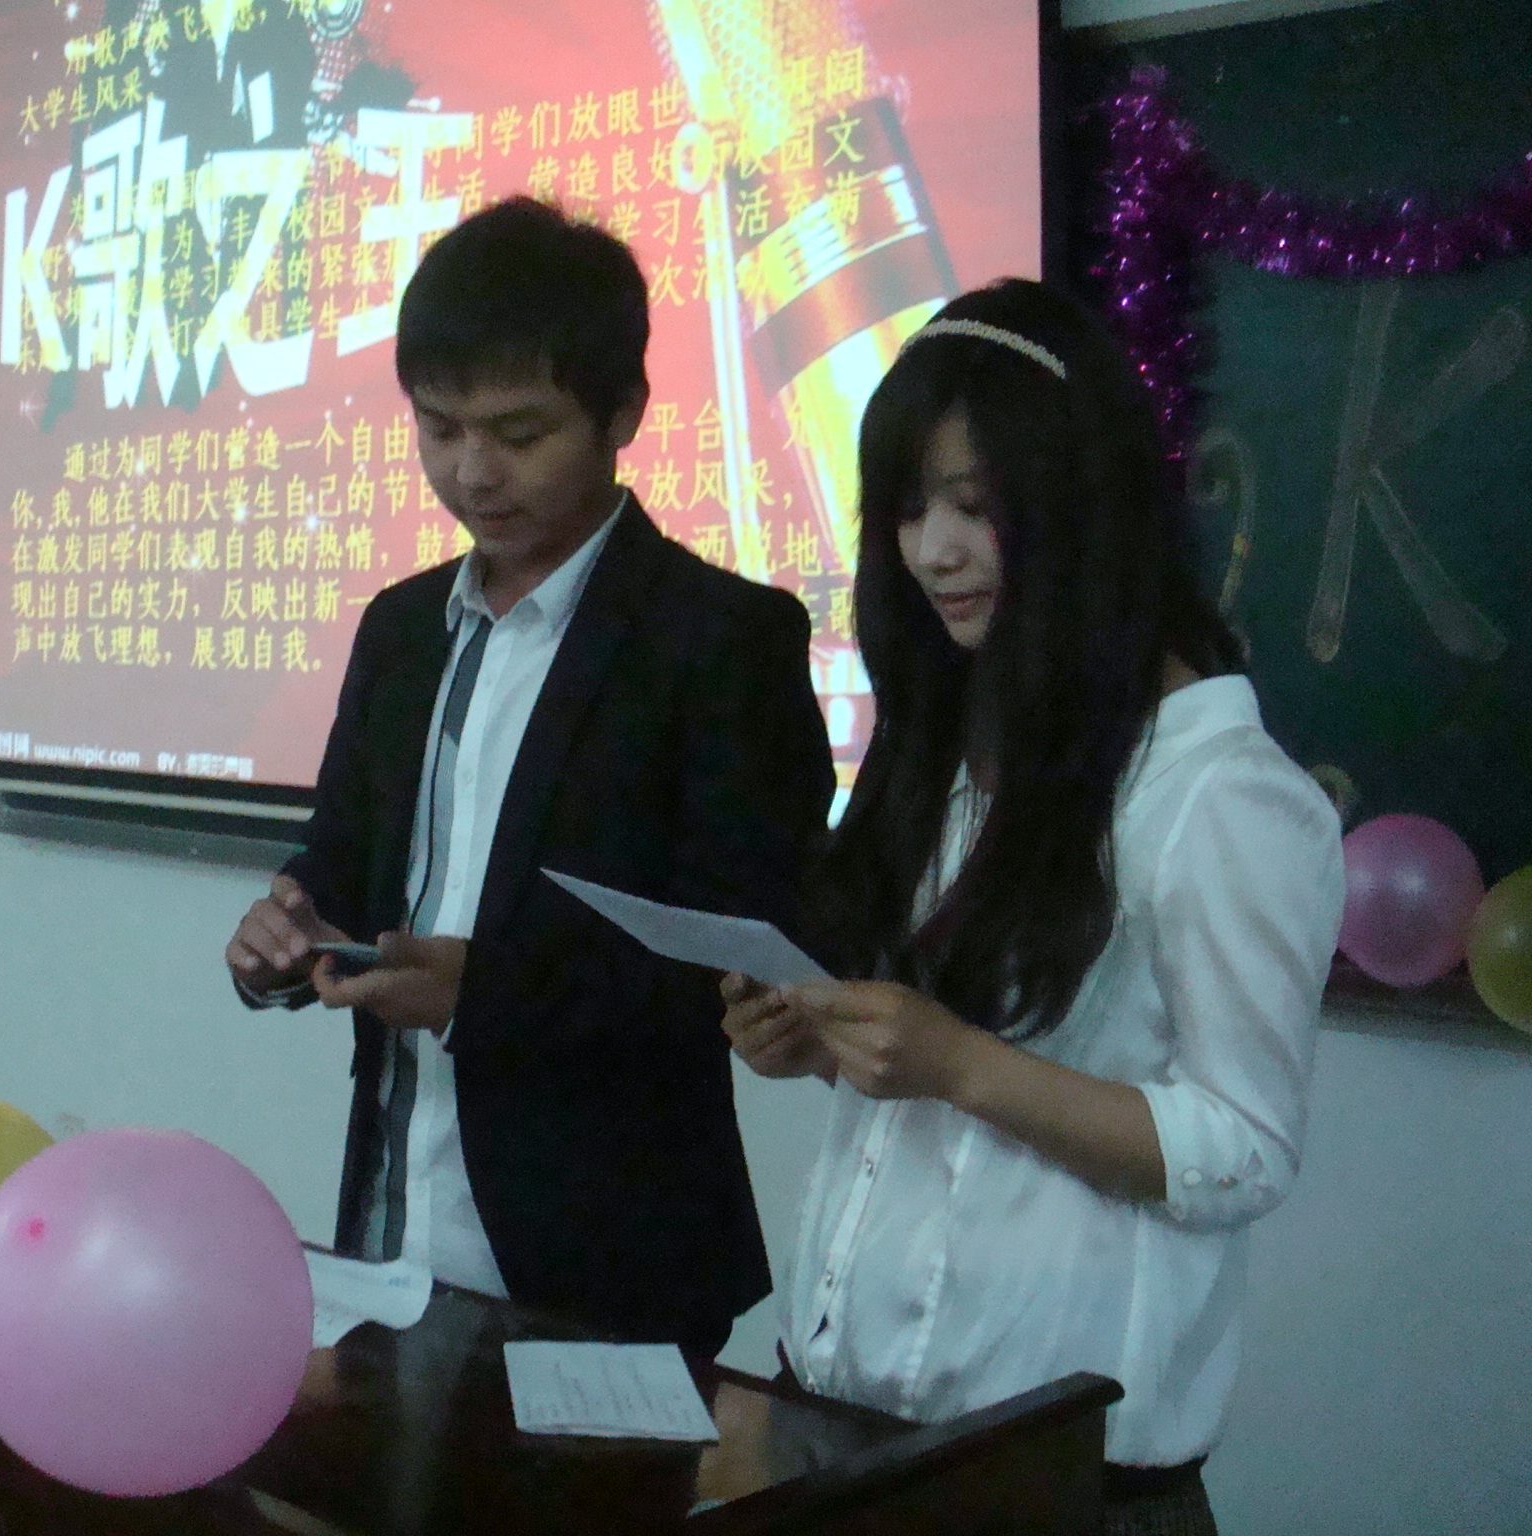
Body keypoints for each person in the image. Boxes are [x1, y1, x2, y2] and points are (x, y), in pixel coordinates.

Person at [722, 280, 1344, 1533]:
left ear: (1079, 503)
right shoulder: (945, 743)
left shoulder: (1217, 794)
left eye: (973, 505)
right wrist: (813, 1044)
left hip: (1057, 1485)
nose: (930, 551)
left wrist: (956, 1064)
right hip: (842, 1430)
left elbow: (1241, 1148)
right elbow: (921, 1046)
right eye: (906, 508)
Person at [227, 197, 835, 1356]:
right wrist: (286, 935)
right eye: (439, 427)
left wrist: (479, 996)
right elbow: (343, 855)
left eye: (519, 432)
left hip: (609, 1255)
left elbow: (739, 958)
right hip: (393, 1227)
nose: (473, 472)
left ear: (623, 413)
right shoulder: (401, 628)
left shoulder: (720, 639)